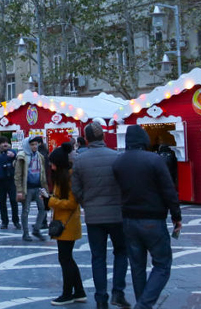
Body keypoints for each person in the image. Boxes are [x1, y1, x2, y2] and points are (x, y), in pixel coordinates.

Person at [112, 125, 183, 309]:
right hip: (153, 220)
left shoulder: (118, 162)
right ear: (144, 140)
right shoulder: (154, 160)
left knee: (137, 266)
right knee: (162, 264)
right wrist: (176, 216)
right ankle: (143, 305)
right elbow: (169, 190)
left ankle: (142, 303)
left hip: (128, 219)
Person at [72, 121, 130, 309]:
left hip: (94, 216)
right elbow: (125, 185)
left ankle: (101, 298)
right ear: (103, 136)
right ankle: (118, 292)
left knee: (98, 257)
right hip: (117, 214)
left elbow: (76, 189)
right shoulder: (117, 157)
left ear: (86, 138)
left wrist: (86, 202)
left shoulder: (80, 160)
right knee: (121, 252)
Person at [48, 147, 86, 305]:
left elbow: (71, 203)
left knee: (65, 259)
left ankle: (67, 293)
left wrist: (50, 200)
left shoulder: (69, 178)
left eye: (53, 164)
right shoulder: (62, 178)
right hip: (63, 222)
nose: (51, 167)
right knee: (67, 258)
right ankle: (79, 292)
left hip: (67, 224)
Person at [16, 136, 48, 241]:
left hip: (38, 187)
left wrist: (45, 188)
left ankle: (36, 229)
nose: (35, 146)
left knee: (43, 209)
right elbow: (18, 175)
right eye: (32, 144)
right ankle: (25, 233)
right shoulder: (22, 156)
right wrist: (19, 190)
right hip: (27, 188)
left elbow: (43, 172)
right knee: (26, 210)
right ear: (27, 145)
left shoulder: (40, 156)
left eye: (36, 144)